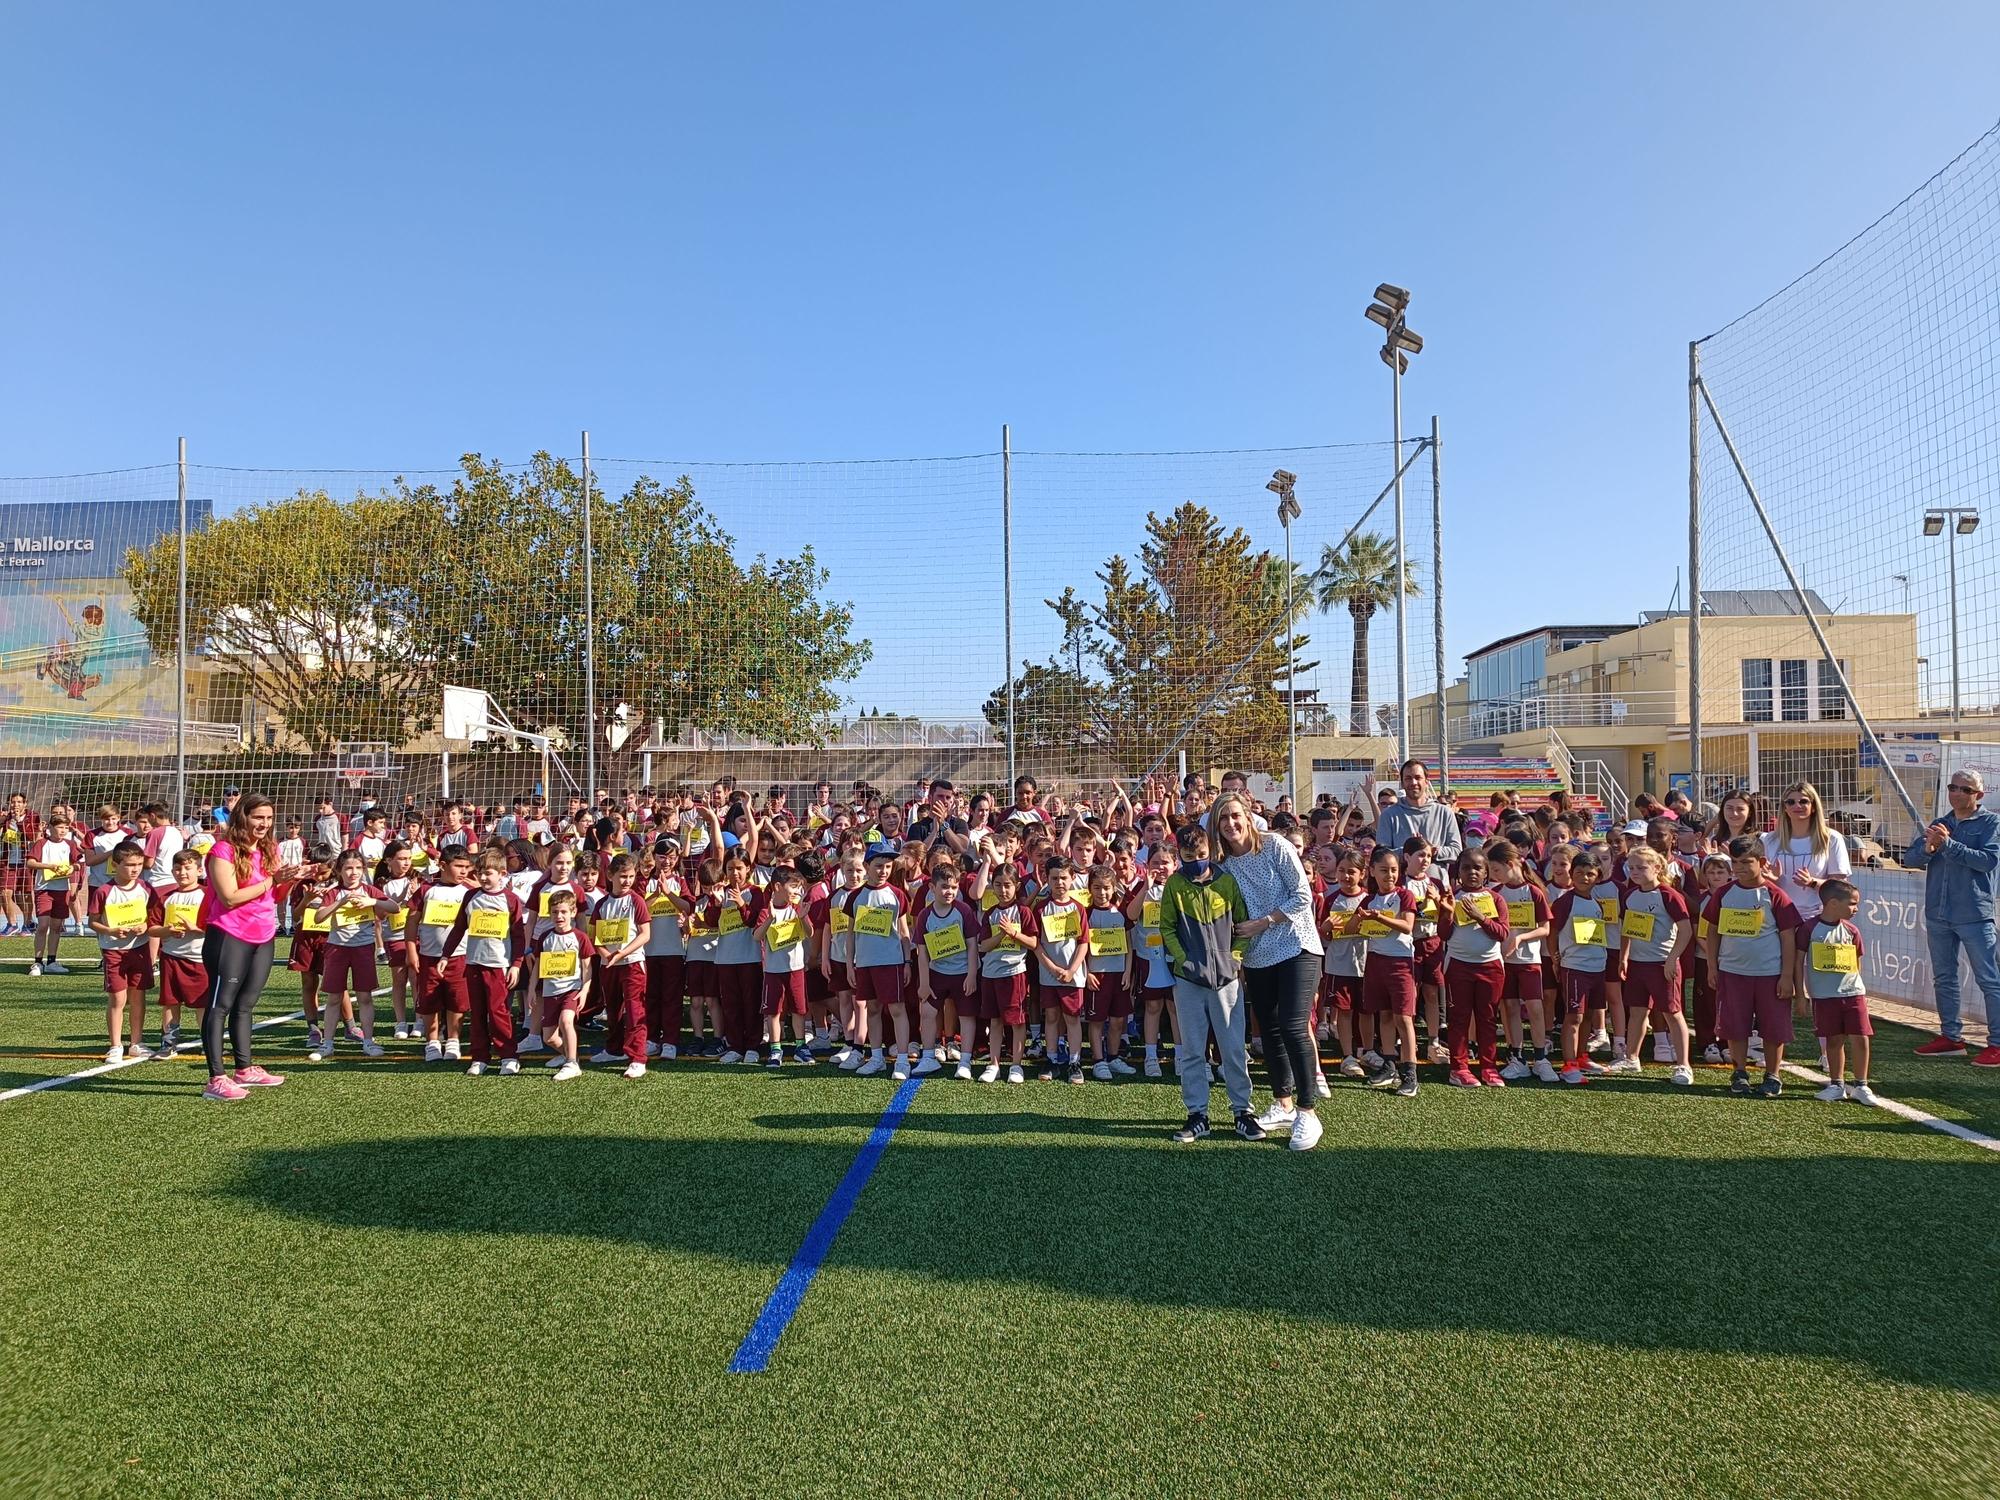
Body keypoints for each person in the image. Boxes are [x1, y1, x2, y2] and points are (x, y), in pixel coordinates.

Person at [1212, 790, 1327, 1148]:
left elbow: (1302, 895)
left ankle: (1308, 1113)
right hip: (1258, 957)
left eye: (1235, 816)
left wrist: (1263, 922)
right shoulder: (1223, 866)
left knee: (1294, 1027)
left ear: (1247, 817)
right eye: (1223, 818)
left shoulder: (1276, 846)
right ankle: (1284, 1103)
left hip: (1297, 946)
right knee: (1272, 1031)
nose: (1231, 824)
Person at [1160, 822, 1258, 1142]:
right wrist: (1183, 960)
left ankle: (1242, 1112)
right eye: (1190, 856)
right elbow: (1168, 928)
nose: (1197, 861)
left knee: (1232, 1049)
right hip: (1189, 981)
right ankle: (1197, 1115)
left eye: (1201, 854)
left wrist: (1236, 958)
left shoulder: (1226, 882)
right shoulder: (1174, 885)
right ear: (1180, 855)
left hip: (1227, 980)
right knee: (1192, 1051)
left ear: (1210, 851)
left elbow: (1242, 924)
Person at [199, 793, 298, 1102]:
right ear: (243, 817)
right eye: (258, 817)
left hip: (263, 935)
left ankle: (244, 1069)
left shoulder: (269, 849)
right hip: (229, 935)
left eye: (268, 818)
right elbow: (229, 896)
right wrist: (272, 880)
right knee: (221, 1005)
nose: (264, 824)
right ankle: (216, 1077)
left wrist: (292, 879)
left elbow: (274, 896)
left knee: (246, 1005)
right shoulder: (223, 850)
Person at [1904, 768, 2000, 1063]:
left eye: (1965, 789)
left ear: (1979, 795)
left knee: (1989, 979)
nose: (1957, 793)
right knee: (1944, 977)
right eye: (1953, 787)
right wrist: (1930, 848)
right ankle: (1951, 1037)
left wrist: (1949, 845)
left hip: (1974, 912)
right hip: (1939, 912)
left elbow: (1988, 862)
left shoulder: (1991, 823)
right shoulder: (1940, 823)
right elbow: (1910, 858)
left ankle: (1996, 1043)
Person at [1703, 835, 1804, 1098]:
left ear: (1762, 862)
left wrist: (1787, 976)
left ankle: (1773, 1075)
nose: (1739, 869)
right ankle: (1739, 1071)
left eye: (1746, 862)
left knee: (1773, 1028)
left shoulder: (1775, 895)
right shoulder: (1724, 893)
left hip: (1770, 975)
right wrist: (1712, 967)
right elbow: (1712, 932)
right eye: (1735, 862)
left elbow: (1788, 937)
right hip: (1732, 973)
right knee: (1735, 1026)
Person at [1801, 878, 1878, 1104]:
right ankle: (1837, 1084)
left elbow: (1856, 962)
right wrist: (1800, 993)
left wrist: (1857, 989)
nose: (1856, 909)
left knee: (1861, 1036)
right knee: (1833, 1040)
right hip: (1824, 997)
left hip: (1853, 994)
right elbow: (1798, 961)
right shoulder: (1809, 929)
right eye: (1852, 904)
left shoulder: (1852, 931)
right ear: (1833, 903)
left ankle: (1862, 1085)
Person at [1371, 759, 1463, 869]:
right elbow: (1381, 854)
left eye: (1418, 777)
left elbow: (1457, 851)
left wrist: (1432, 851)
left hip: (1436, 884)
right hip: (1402, 883)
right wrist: (1409, 851)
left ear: (1426, 782)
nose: (1413, 782)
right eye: (1408, 778)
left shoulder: (1444, 813)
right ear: (1402, 783)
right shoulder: (1388, 815)